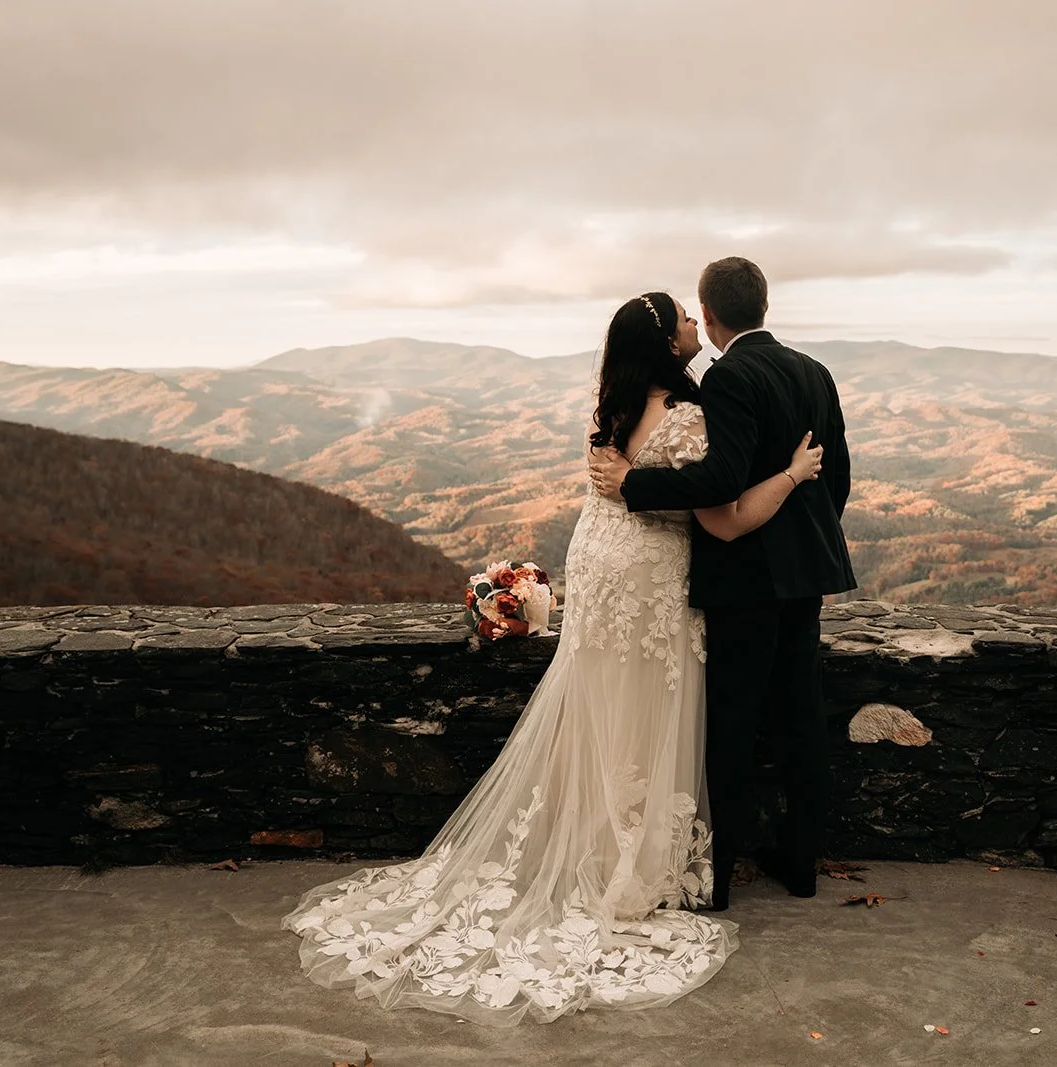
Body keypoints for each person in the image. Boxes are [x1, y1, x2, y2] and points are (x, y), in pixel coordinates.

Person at [282, 290, 822, 1025]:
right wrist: (793, 474)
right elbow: (724, 523)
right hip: (648, 573)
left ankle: (592, 840)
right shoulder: (690, 418)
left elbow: (628, 489)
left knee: (599, 698)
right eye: (684, 321)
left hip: (599, 564)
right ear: (667, 344)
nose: (697, 325)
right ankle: (625, 860)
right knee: (643, 705)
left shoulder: (610, 408)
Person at [589, 257, 855, 911]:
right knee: (800, 718)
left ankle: (720, 874)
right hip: (804, 576)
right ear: (763, 304)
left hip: (744, 578)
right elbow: (838, 477)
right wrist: (802, 539)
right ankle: (801, 866)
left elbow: (719, 481)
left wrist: (632, 484)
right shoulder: (815, 373)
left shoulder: (728, 376)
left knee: (733, 726)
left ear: (708, 316)